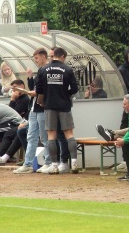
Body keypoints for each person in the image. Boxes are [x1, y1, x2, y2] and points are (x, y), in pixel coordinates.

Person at [35, 46, 79, 174]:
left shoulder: (43, 70)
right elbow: (75, 89)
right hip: (64, 105)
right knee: (69, 134)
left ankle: (54, 166)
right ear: (63, 56)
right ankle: (74, 164)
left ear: (53, 55)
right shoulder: (67, 69)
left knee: (51, 135)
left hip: (49, 106)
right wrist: (66, 93)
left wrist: (46, 96)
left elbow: (38, 90)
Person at [14, 47, 53, 174]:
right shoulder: (40, 71)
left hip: (42, 107)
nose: (35, 61)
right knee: (31, 136)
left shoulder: (47, 70)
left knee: (44, 136)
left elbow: (42, 90)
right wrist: (30, 78)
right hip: (34, 108)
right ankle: (28, 163)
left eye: (36, 58)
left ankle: (48, 162)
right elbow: (35, 89)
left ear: (43, 56)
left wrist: (35, 93)